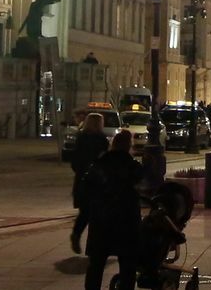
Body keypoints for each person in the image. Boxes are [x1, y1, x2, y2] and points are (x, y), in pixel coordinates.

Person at [78, 130, 144, 290]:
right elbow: (142, 178)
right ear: (129, 146)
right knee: (128, 266)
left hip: (101, 221)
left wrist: (77, 230)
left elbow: (86, 198)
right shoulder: (131, 166)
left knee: (96, 265)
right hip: (126, 222)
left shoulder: (99, 165)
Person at [68, 112, 110, 252]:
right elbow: (104, 160)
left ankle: (76, 234)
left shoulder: (81, 137)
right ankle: (94, 245)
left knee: (85, 212)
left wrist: (81, 171)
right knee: (97, 214)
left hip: (82, 180)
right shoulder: (101, 139)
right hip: (97, 182)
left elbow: (74, 161)